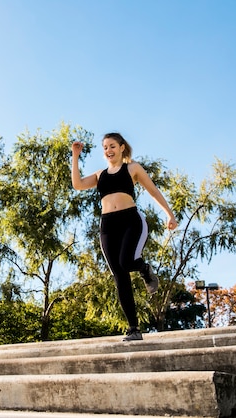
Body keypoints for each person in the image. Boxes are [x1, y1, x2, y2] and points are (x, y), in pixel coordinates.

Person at [71, 132, 177, 341]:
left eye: (112, 146)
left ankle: (145, 269)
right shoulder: (100, 175)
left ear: (121, 148)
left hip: (131, 221)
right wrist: (75, 157)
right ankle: (133, 329)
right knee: (120, 276)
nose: (108, 150)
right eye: (105, 148)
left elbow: (153, 191)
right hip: (108, 226)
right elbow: (78, 185)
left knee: (127, 261)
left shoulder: (133, 168)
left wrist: (169, 214)